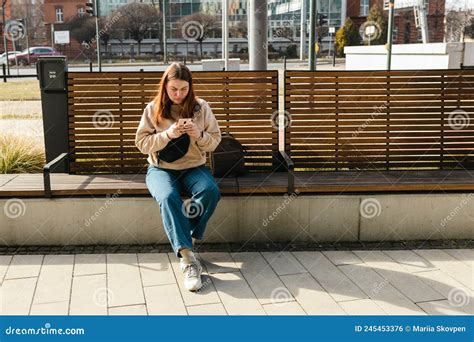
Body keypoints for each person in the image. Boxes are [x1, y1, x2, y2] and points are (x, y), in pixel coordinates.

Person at [135, 62, 221, 291]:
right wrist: (166, 135)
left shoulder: (201, 108)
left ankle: (183, 237)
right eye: (173, 89)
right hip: (160, 168)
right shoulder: (153, 109)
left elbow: (214, 142)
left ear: (190, 87)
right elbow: (142, 144)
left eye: (183, 89)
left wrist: (199, 134)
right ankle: (186, 257)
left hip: (194, 166)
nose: (178, 94)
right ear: (165, 86)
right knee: (167, 196)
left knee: (210, 190)